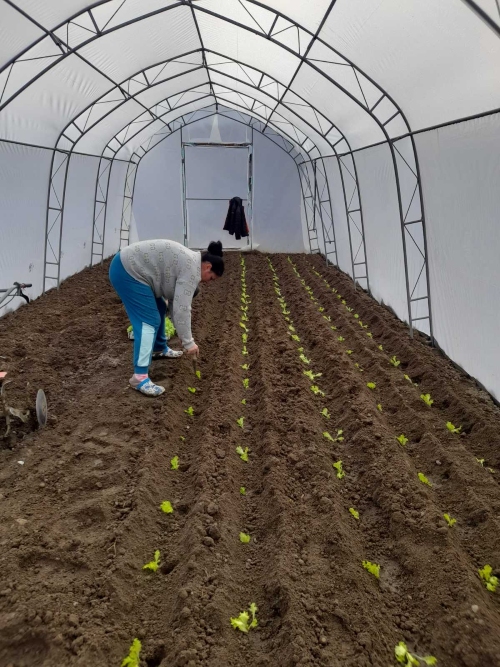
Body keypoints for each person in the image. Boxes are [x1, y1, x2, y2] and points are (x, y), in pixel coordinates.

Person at [109, 240, 224, 396]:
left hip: (133, 267)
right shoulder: (191, 271)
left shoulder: (192, 261)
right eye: (211, 278)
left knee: (160, 307)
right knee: (149, 321)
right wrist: (189, 343)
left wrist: (184, 335)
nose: (208, 283)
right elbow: (182, 309)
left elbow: (174, 305)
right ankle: (139, 377)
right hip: (128, 271)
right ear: (208, 267)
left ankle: (158, 348)